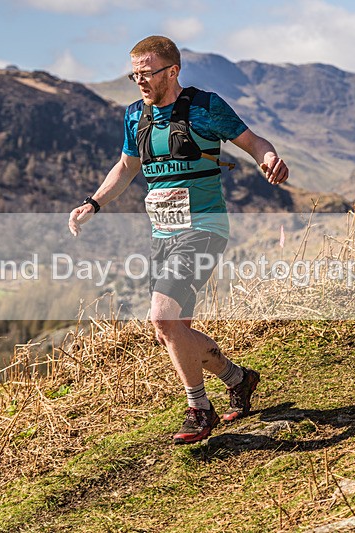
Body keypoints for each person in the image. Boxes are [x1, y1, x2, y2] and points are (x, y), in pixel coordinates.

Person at [68, 35, 289, 445]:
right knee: (171, 332)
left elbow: (254, 143)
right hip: (163, 235)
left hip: (204, 229)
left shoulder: (206, 108)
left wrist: (268, 158)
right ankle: (239, 378)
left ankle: (199, 409)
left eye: (147, 73)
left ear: (172, 71)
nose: (140, 82)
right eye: (134, 74)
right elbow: (126, 166)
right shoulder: (135, 115)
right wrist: (93, 203)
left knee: (162, 317)